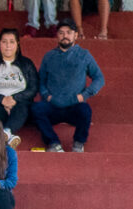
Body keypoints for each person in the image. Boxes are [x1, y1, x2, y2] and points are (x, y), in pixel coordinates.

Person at [34, 21, 104, 153]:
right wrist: (46, 96)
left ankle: (78, 143)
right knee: (36, 108)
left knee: (85, 110)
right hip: (53, 105)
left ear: (76, 35)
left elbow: (99, 78)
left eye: (68, 33)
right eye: (61, 33)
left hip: (74, 105)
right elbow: (40, 80)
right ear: (57, 36)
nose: (65, 36)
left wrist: (85, 95)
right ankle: (53, 144)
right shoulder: (49, 56)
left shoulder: (84, 55)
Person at [0, 28, 39, 137]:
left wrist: (14, 99)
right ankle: (7, 133)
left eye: (11, 42)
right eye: (4, 42)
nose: (8, 46)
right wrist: (2, 100)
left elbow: (33, 88)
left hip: (19, 103)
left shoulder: (27, 64)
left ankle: (6, 132)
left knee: (23, 108)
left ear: (17, 44)